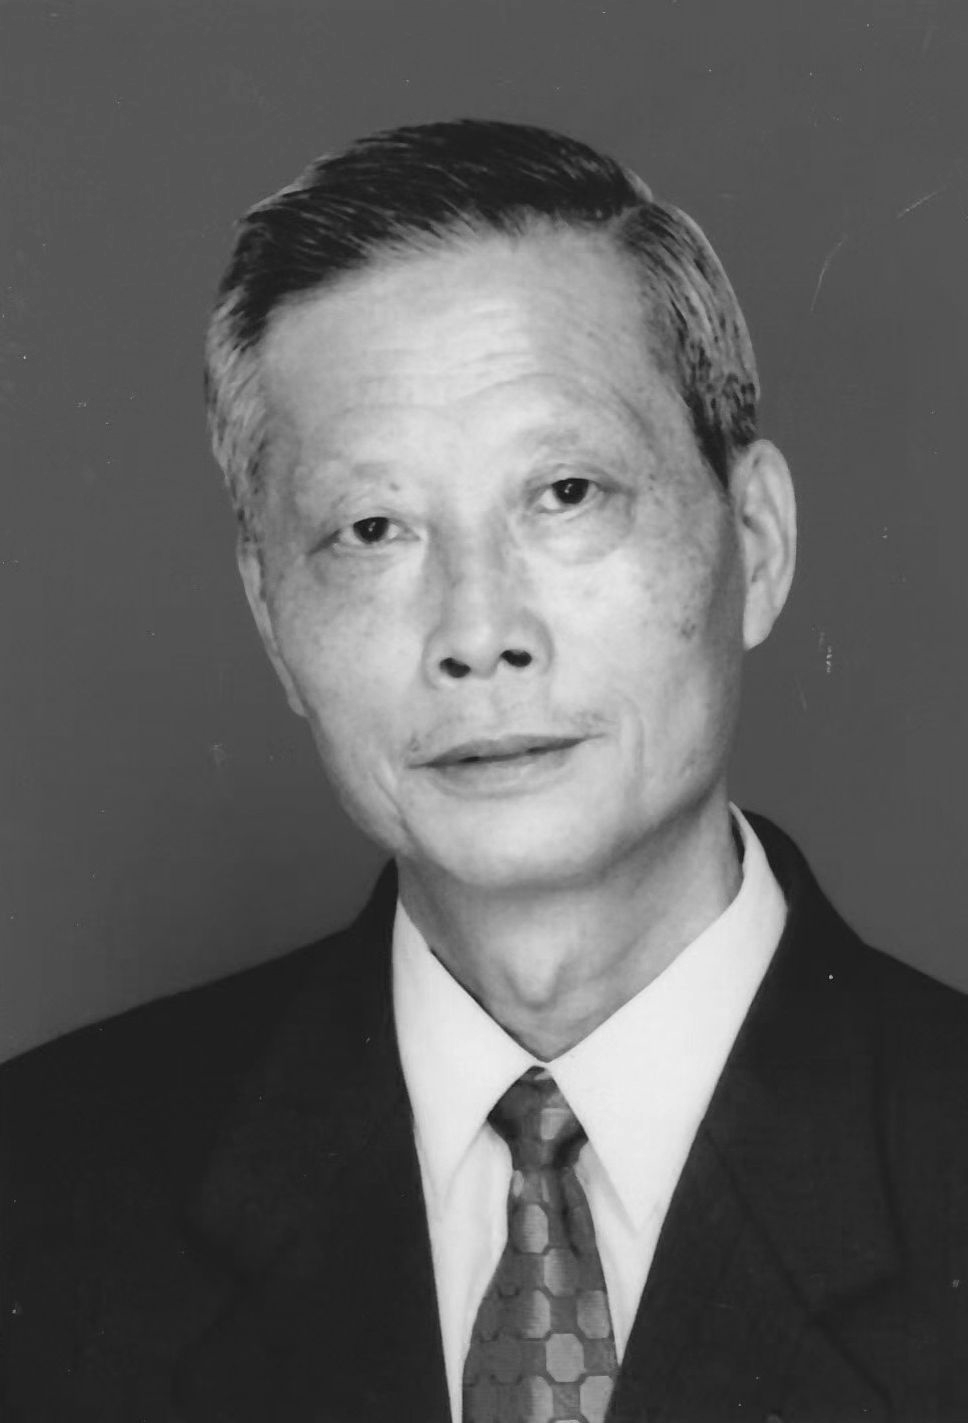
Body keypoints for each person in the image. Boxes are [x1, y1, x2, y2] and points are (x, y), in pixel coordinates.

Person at [1, 119, 966, 1423]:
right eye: (373, 528)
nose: (477, 630)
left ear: (756, 541)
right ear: (273, 617)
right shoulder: (41, 1195)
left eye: (565, 493)